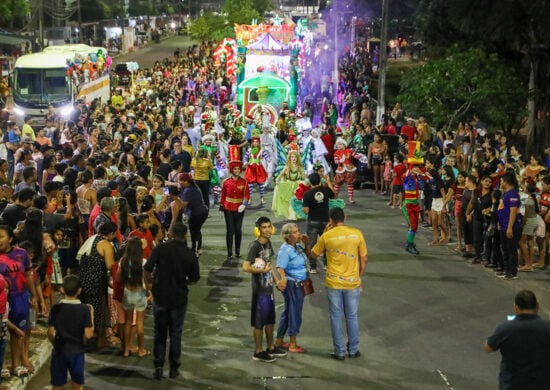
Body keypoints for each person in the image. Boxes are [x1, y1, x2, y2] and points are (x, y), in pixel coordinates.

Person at [144, 222, 199, 380]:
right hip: (179, 298)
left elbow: (147, 268)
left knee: (159, 333)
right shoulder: (190, 254)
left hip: (160, 296)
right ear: (185, 235)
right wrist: (183, 282)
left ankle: (159, 365)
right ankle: (174, 367)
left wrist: (150, 284)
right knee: (176, 333)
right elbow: (194, 278)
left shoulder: (161, 248)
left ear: (171, 233)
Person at [311, 207, 367, 360]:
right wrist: (359, 277)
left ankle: (339, 351)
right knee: (352, 316)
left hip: (334, 282)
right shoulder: (357, 234)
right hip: (352, 282)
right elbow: (364, 259)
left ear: (331, 220)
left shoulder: (327, 236)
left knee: (336, 317)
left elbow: (314, 254)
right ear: (345, 218)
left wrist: (325, 233)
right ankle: (353, 350)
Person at [242, 217, 287, 362]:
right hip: (259, 291)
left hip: (268, 289)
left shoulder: (267, 243)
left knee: (270, 320)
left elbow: (269, 264)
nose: (268, 230)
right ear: (258, 230)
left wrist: (277, 280)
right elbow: (245, 267)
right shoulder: (254, 246)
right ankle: (258, 351)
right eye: (264, 227)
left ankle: (271, 347)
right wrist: (261, 271)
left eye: (269, 226)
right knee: (259, 321)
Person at [484, 289, 550, 389]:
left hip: (512, 383)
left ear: (516, 308)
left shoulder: (506, 328)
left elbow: (488, 348)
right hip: (542, 384)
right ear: (537, 306)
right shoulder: (547, 328)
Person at [47, 275, 94, 390]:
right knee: (77, 383)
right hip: (77, 352)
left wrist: (55, 344)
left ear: (62, 290)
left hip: (59, 351)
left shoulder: (56, 308)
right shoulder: (84, 309)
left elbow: (49, 332)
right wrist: (91, 313)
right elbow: (88, 334)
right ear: (79, 290)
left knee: (57, 384)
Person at [78, 221, 117, 349]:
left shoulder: (91, 239)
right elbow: (110, 266)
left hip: (84, 280)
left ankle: (84, 338)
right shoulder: (105, 244)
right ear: (111, 233)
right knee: (98, 310)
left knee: (87, 309)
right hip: (96, 282)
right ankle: (98, 340)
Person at [273, 223, 309, 354]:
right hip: (293, 285)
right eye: (294, 232)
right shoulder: (285, 250)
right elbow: (279, 267)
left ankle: (279, 340)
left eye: (298, 231)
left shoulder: (297, 246)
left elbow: (308, 257)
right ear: (287, 236)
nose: (298, 233)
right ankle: (293, 344)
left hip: (300, 283)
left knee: (288, 311)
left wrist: (307, 244)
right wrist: (282, 279)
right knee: (295, 313)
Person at [302, 172, 334, 273]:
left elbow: (306, 210)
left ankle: (313, 267)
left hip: (313, 222)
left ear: (310, 182)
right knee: (326, 244)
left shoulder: (307, 194)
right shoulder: (326, 190)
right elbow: (334, 195)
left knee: (312, 245)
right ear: (320, 181)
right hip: (325, 222)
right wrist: (328, 181)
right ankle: (326, 264)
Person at [220, 158, 249, 259]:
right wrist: (222, 206)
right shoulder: (226, 182)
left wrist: (244, 204)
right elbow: (223, 195)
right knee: (230, 230)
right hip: (228, 208)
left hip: (239, 208)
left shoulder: (244, 182)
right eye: (235, 169)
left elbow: (246, 196)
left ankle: (237, 251)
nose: (237, 170)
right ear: (231, 170)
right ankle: (229, 253)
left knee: (238, 230)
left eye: (238, 169)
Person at [179, 173, 209, 256]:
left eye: (182, 181)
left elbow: (183, 204)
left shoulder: (188, 190)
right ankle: (199, 248)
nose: (180, 182)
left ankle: (194, 250)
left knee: (194, 231)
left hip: (196, 214)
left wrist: (176, 199)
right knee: (197, 230)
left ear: (187, 181)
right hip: (203, 212)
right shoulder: (194, 187)